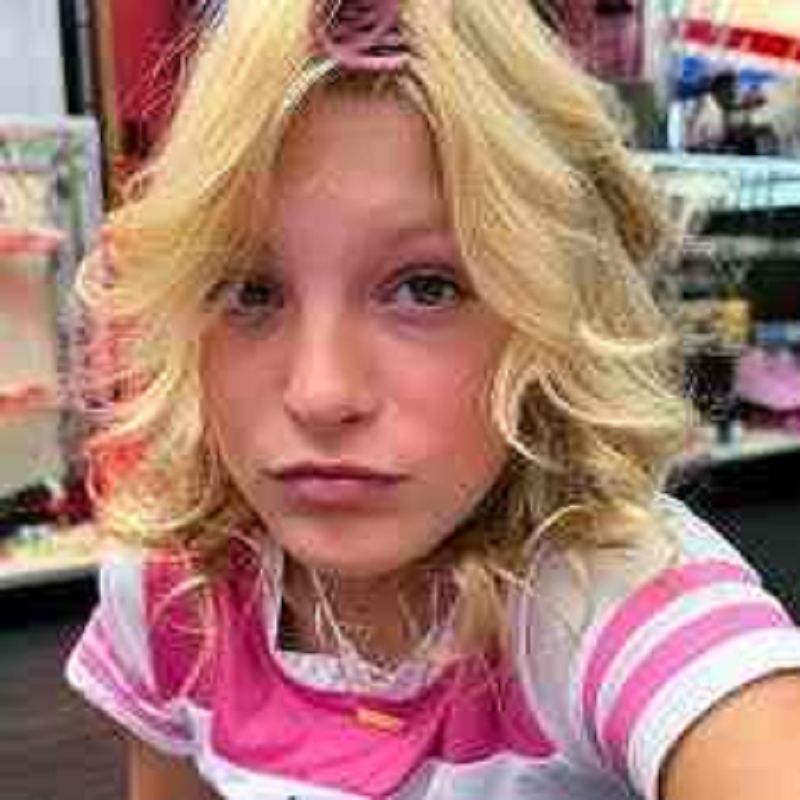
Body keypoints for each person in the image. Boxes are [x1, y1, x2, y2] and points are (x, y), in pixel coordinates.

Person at [66, 1, 800, 798]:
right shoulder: (176, 588)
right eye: (249, 290)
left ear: (552, 310)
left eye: (425, 287)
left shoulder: (607, 601)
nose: (321, 393)